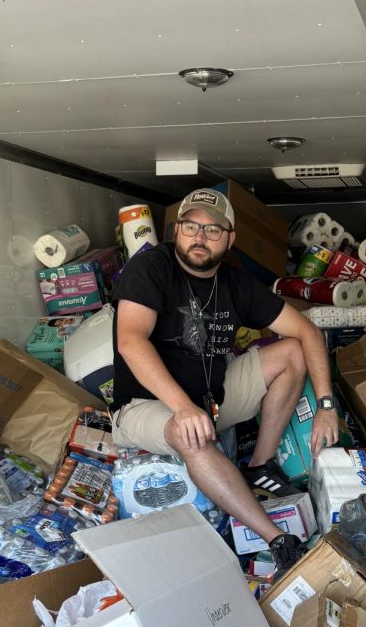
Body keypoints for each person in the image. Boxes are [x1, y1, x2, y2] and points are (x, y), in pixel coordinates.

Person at [111, 187, 340, 572]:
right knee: (192, 435)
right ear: (176, 231)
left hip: (211, 397)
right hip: (144, 406)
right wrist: (183, 409)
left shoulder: (235, 284)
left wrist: (326, 407)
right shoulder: (151, 267)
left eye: (213, 230)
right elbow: (130, 341)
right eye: (190, 226)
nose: (199, 237)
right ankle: (278, 540)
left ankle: (260, 465)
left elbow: (309, 332)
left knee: (293, 351)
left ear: (230, 239)